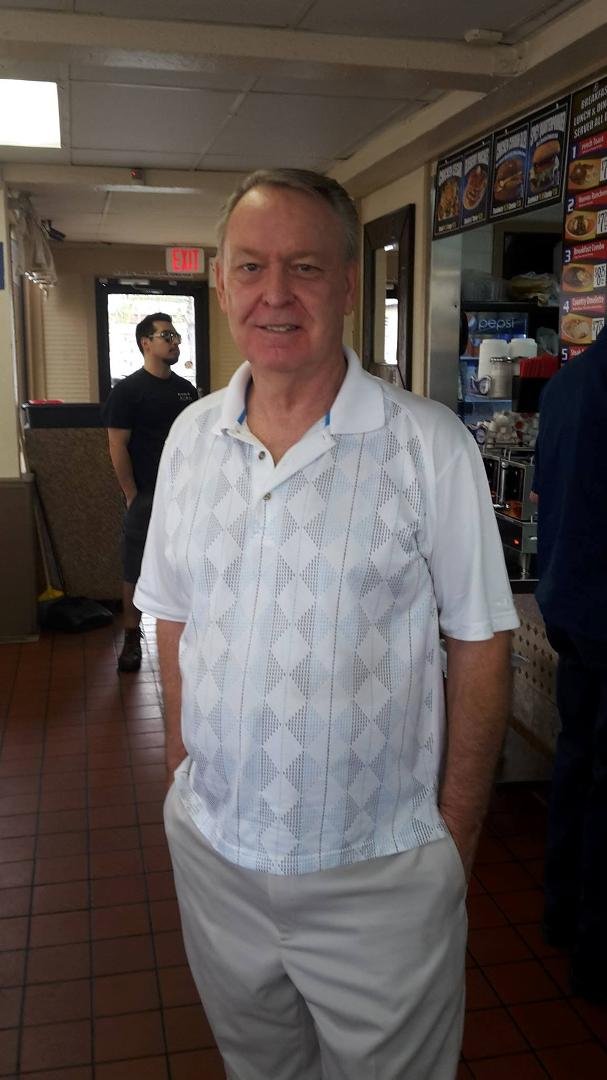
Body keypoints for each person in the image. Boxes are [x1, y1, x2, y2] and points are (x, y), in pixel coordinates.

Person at [135, 169, 518, 1079]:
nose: (275, 293)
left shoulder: (427, 444)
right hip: (217, 857)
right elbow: (175, 616)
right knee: (258, 1068)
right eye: (251, 266)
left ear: (347, 283)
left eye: (304, 267)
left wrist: (452, 843)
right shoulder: (190, 438)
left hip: (378, 870)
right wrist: (187, 774)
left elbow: (481, 642)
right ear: (220, 283)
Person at [532, 325, 607, 1004]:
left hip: (569, 602)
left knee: (577, 763)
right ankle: (595, 955)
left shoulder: (567, 385)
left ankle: (560, 913)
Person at [102, 312, 197, 672]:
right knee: (135, 568)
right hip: (146, 495)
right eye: (166, 336)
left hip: (185, 497)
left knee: (186, 564)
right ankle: (131, 637)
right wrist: (131, 494)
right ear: (146, 343)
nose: (174, 342)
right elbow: (117, 445)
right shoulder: (128, 392)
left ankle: (190, 634)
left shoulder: (186, 390)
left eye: (175, 336)